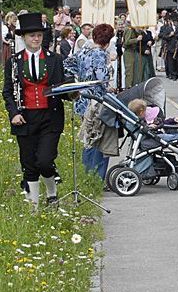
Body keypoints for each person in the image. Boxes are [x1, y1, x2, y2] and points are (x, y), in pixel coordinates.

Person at [3, 13, 72, 206]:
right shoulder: (14, 61)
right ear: (23, 37)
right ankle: (33, 204)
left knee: (44, 160)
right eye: (32, 35)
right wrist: (14, 113)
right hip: (24, 117)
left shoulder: (54, 59)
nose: (36, 39)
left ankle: (51, 193)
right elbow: (7, 91)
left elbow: (60, 88)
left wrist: (73, 92)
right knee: (29, 163)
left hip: (50, 116)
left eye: (39, 35)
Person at [65, 23, 115, 179]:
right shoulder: (100, 53)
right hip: (96, 100)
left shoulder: (83, 51)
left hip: (82, 98)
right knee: (98, 138)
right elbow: (102, 78)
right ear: (107, 41)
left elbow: (66, 65)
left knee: (87, 136)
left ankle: (87, 174)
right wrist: (109, 66)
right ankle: (95, 176)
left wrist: (79, 80)